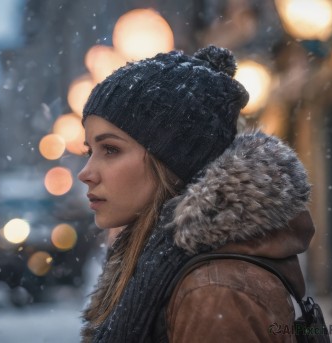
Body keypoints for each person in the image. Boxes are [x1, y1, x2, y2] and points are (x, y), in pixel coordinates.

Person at [77, 45, 314, 342]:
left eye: (110, 149)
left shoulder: (214, 291)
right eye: (89, 151)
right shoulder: (175, 267)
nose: (85, 173)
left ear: (172, 158)